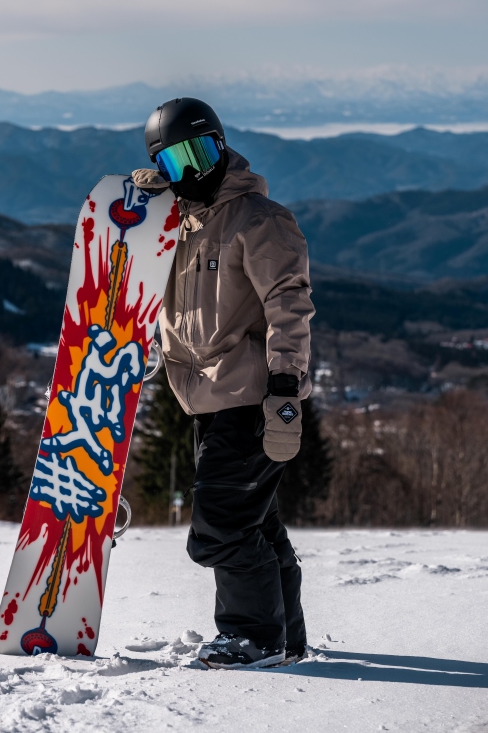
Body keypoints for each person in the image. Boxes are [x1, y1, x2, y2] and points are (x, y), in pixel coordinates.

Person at [132, 97, 315, 669]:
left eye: (201, 153)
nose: (193, 170)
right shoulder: (177, 222)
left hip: (252, 394)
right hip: (203, 397)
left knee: (220, 526)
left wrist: (285, 381)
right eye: (176, 162)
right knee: (256, 519)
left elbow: (289, 301)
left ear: (222, 145)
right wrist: (147, 194)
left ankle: (252, 637)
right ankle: (286, 638)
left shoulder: (259, 220)